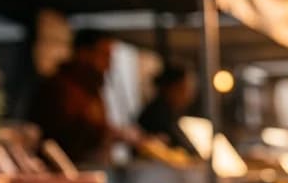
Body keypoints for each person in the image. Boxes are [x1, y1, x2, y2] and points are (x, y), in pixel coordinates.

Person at [28, 29, 138, 165]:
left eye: (110, 58)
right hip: (63, 172)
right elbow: (70, 132)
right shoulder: (62, 86)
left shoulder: (91, 87)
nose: (108, 65)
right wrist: (111, 133)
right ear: (83, 53)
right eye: (104, 55)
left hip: (90, 167)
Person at [137, 62, 199, 156]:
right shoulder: (158, 114)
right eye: (183, 89)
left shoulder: (169, 112)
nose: (189, 95)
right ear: (171, 89)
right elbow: (179, 145)